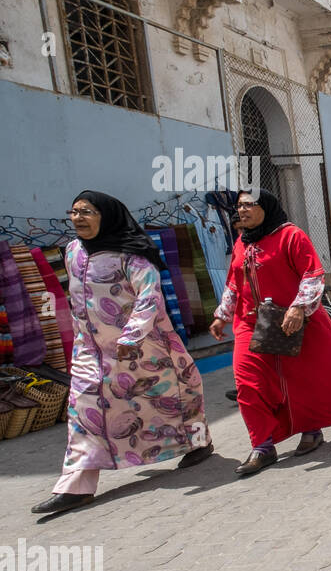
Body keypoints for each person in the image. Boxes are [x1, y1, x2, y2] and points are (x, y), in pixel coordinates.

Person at [30, 191, 214, 515]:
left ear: (107, 215)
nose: (78, 218)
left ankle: (198, 442)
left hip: (144, 349)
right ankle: (76, 485)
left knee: (173, 397)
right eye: (73, 212)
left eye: (87, 212)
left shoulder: (131, 256)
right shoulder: (72, 252)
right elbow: (75, 302)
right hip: (91, 351)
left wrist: (131, 337)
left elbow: (149, 296)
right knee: (83, 408)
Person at [209, 188, 331, 475]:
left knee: (299, 379)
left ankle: (311, 429)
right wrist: (221, 316)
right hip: (249, 323)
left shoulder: (291, 235)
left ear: (266, 206)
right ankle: (262, 446)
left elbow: (312, 273)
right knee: (247, 383)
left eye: (250, 205)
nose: (242, 210)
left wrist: (298, 307)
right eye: (240, 206)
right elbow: (234, 283)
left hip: (291, 320)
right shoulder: (242, 242)